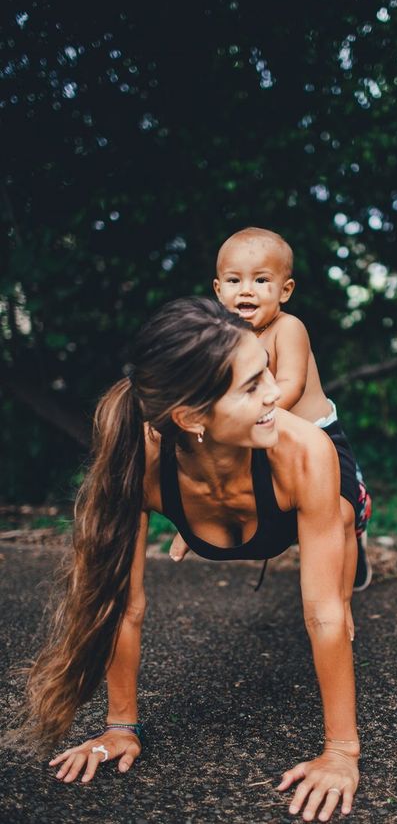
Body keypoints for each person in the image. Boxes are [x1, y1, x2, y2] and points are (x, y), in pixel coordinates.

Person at [14, 298, 359, 822]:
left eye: (266, 370)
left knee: (340, 516)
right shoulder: (140, 464)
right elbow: (123, 605)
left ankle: (351, 524)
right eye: (251, 386)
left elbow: (324, 613)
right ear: (191, 417)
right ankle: (196, 532)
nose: (274, 393)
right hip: (211, 510)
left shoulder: (306, 449)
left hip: (289, 517)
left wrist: (340, 753)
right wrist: (119, 726)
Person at [209, 227, 372, 593]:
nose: (246, 290)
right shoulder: (221, 338)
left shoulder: (288, 328)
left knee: (341, 515)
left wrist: (238, 415)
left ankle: (341, 597)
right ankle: (192, 530)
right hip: (264, 436)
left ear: (285, 290)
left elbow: (290, 386)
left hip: (320, 437)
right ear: (218, 290)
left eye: (261, 280)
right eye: (234, 280)